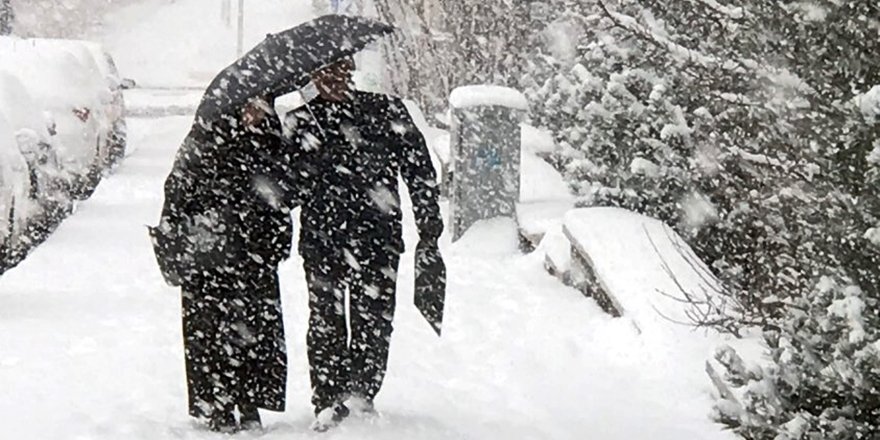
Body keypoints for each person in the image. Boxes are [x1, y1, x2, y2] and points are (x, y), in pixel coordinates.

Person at [284, 57, 444, 432]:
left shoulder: (384, 110)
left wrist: (429, 228)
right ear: (312, 78)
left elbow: (419, 169)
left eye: (340, 71)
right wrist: (312, 161)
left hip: (377, 237)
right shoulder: (301, 120)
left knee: (374, 319)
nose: (333, 80)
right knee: (325, 318)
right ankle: (328, 397)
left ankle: (362, 391)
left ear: (350, 71)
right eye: (324, 74)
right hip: (323, 240)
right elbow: (287, 188)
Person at [158, 96, 298, 433]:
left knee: (254, 329)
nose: (255, 112)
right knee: (210, 330)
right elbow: (177, 190)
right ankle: (217, 402)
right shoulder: (205, 140)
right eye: (249, 105)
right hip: (211, 254)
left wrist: (276, 239)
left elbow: (284, 196)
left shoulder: (271, 142)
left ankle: (249, 399)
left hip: (254, 253)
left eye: (262, 105)